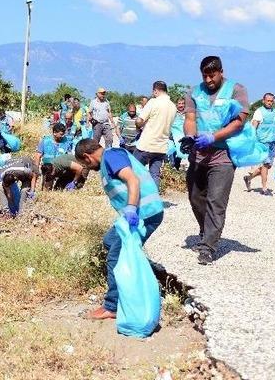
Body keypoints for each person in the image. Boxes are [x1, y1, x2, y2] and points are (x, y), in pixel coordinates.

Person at [74, 139, 163, 320]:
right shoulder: (109, 159)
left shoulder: (112, 156)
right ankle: (150, 271)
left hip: (144, 214)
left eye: (85, 164)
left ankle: (112, 306)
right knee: (110, 241)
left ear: (87, 156)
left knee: (115, 255)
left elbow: (132, 179)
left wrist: (131, 207)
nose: (88, 168)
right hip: (136, 215)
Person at [183, 55, 250, 265]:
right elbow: (190, 119)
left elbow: (238, 123)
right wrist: (190, 137)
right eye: (205, 76)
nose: (209, 80)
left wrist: (213, 137)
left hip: (223, 156)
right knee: (195, 197)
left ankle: (208, 246)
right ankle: (207, 230)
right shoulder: (194, 92)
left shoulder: (236, 90)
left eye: (212, 75)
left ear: (221, 71)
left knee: (216, 201)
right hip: (198, 155)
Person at [133, 81, 177, 189]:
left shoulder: (153, 102)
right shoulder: (173, 107)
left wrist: (139, 126)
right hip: (161, 146)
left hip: (147, 144)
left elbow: (139, 120)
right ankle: (154, 201)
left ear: (155, 91)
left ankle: (131, 197)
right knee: (154, 174)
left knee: (133, 169)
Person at [244, 93, 275, 195]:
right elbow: (253, 127)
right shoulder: (259, 112)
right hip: (263, 142)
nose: (270, 103)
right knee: (265, 164)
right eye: (268, 101)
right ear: (263, 101)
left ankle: (248, 178)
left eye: (272, 101)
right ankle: (264, 188)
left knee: (268, 166)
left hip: (273, 142)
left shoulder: (274, 112)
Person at [35, 123, 74, 190]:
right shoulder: (45, 141)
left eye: (63, 134)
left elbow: (69, 156)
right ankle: (46, 190)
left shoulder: (66, 142)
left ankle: (58, 189)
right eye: (61, 134)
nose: (62, 136)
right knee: (49, 170)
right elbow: (38, 156)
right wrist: (36, 171)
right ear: (54, 133)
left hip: (61, 167)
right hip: (48, 167)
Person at [169, 98, 186, 169]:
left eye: (182, 103)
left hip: (184, 139)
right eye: (179, 103)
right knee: (172, 158)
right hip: (173, 139)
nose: (181, 105)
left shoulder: (188, 114)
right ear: (176, 104)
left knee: (183, 157)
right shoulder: (172, 113)